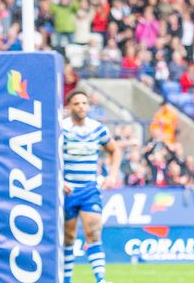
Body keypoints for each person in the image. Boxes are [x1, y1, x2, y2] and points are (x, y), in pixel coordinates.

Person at [62, 91, 122, 283]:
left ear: (89, 106)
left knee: (93, 233)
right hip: (67, 190)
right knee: (68, 237)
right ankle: (66, 279)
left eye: (84, 103)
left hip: (89, 189)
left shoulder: (98, 129)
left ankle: (100, 279)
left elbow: (115, 150)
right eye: (76, 103)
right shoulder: (61, 129)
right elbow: (49, 157)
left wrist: (112, 175)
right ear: (69, 106)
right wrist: (58, 181)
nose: (81, 106)